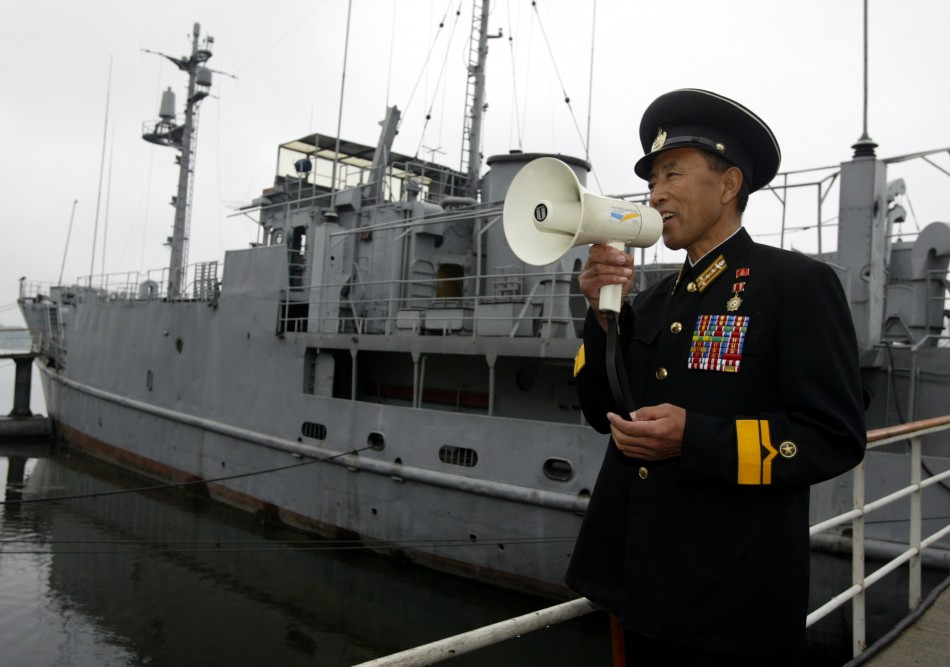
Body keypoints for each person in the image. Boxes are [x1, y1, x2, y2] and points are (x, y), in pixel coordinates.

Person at [564, 89, 867, 666]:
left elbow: (833, 435)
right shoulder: (652, 300)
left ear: (728, 185)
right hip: (639, 585)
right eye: (653, 180)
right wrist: (602, 316)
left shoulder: (796, 286)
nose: (656, 194)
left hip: (731, 599)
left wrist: (694, 439)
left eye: (672, 173)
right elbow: (600, 410)